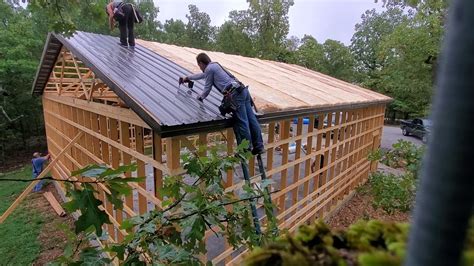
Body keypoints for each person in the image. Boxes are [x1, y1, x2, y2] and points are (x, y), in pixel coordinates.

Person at [181, 53, 265, 155]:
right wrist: (188, 78)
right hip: (243, 91)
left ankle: (245, 149)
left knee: (242, 121)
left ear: (201, 63)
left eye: (199, 65)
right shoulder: (215, 65)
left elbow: (207, 88)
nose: (200, 68)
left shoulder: (209, 69)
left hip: (235, 95)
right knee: (252, 119)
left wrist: (200, 97)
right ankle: (259, 146)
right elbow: (202, 75)